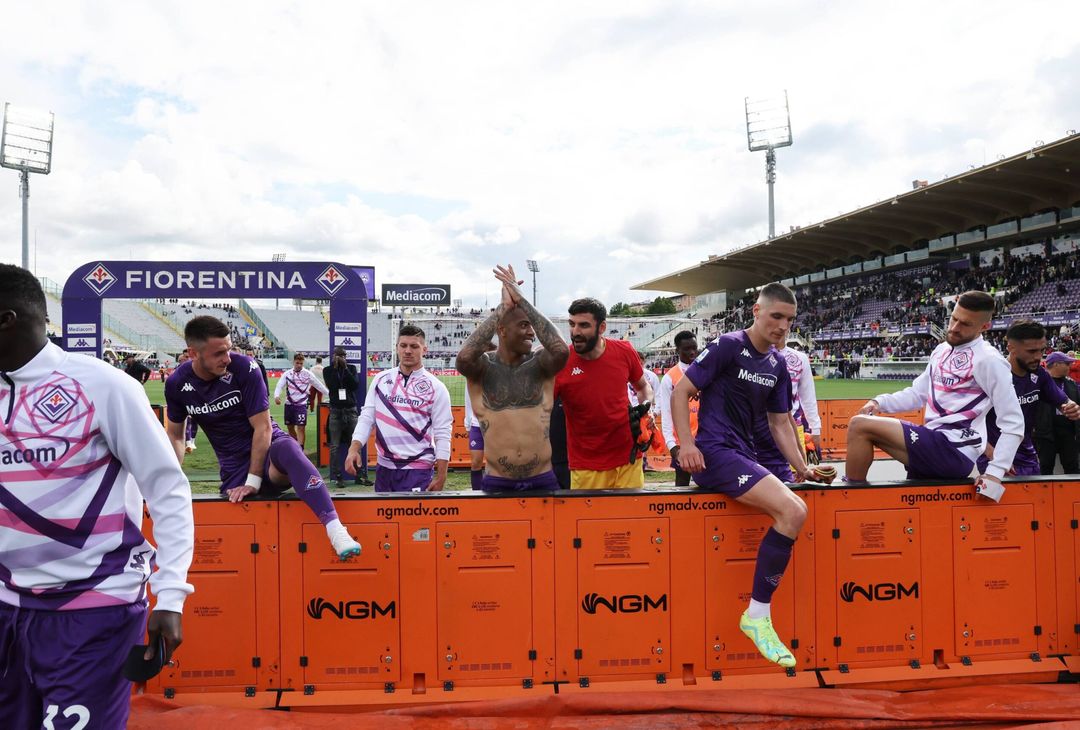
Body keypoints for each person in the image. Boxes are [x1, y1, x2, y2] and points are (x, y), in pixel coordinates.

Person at [0, 264, 194, 728]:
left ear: (6, 319)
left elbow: (167, 489)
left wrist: (170, 596)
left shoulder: (103, 385)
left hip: (93, 605)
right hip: (8, 606)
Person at [671, 282, 810, 668]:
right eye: (776, 316)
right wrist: (687, 446)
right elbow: (681, 393)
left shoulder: (778, 364)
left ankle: (758, 615)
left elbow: (781, 424)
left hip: (742, 456)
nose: (783, 326)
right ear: (756, 311)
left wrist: (804, 467)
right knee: (794, 512)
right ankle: (758, 616)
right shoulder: (730, 345)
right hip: (714, 454)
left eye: (789, 320)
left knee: (797, 505)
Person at [165, 316, 360, 558]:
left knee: (289, 447)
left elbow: (263, 428)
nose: (227, 358)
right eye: (219, 353)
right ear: (193, 354)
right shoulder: (176, 383)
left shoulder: (245, 367)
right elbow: (175, 436)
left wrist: (253, 481)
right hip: (234, 470)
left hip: (268, 455)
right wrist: (169, 480)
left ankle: (336, 530)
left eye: (229, 349)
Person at [845, 291, 1024, 502]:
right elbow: (917, 394)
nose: (955, 328)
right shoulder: (941, 350)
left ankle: (849, 501)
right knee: (917, 513)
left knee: (860, 426)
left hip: (955, 449)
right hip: (933, 440)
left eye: (965, 324)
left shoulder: (989, 360)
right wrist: (879, 401)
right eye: (953, 319)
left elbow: (1014, 422)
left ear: (984, 327)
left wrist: (995, 473)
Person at [456, 265, 570, 491]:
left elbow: (561, 350)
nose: (532, 332)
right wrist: (503, 308)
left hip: (543, 478)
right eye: (524, 325)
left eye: (531, 325)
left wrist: (522, 300)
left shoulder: (539, 364)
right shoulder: (483, 367)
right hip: (498, 480)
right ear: (502, 330)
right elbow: (464, 359)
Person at [555, 298, 653, 489]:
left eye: (584, 325)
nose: (575, 332)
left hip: (629, 459)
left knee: (631, 519)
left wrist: (647, 408)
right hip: (586, 466)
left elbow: (643, 387)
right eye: (572, 324)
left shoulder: (624, 351)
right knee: (590, 520)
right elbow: (539, 410)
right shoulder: (561, 362)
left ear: (602, 327)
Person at [345, 325, 452, 492]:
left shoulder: (437, 388)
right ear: (397, 348)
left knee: (413, 519)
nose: (408, 351)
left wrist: (442, 475)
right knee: (383, 518)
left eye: (414, 346)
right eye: (403, 346)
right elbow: (366, 418)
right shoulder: (380, 380)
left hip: (418, 469)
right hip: (384, 469)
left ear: (424, 349)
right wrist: (354, 449)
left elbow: (442, 432)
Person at [978, 323, 1080, 476]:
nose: (1038, 357)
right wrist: (989, 452)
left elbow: (1063, 401)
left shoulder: (1040, 375)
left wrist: (1071, 407)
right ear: (1010, 347)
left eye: (1042, 350)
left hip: (1027, 457)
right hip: (994, 459)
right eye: (1031, 351)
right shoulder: (990, 376)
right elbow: (962, 423)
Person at [753, 336, 822, 479]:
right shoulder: (754, 354)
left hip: (792, 426)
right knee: (761, 477)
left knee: (796, 477)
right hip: (758, 428)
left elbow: (807, 395)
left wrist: (815, 427)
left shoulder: (800, 358)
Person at [657, 331, 700, 486]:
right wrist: (672, 446)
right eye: (687, 349)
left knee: (710, 488)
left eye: (694, 348)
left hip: (706, 439)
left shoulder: (707, 371)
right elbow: (667, 414)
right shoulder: (670, 378)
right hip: (682, 442)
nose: (692, 352)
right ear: (677, 351)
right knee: (682, 487)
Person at [323, 347, 363, 487]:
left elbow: (354, 385)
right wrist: (336, 368)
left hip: (350, 410)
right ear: (333, 357)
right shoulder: (327, 370)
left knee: (356, 443)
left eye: (343, 356)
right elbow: (332, 386)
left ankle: (359, 474)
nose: (341, 358)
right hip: (336, 411)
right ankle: (337, 475)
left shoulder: (351, 368)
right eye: (339, 356)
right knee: (334, 446)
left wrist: (345, 369)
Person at [1036, 351, 1080, 474]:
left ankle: (1073, 493)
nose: (1069, 366)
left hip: (1068, 432)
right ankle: (1044, 494)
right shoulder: (1037, 383)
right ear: (1056, 364)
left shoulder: (1071, 383)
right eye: (1066, 363)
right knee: (1045, 468)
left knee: (1072, 468)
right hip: (1045, 433)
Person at [462, 340, 498, 490]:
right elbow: (468, 398)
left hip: (495, 426)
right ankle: (476, 492)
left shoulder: (499, 376)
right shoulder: (472, 375)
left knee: (494, 462)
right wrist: (468, 420)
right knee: (476, 462)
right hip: (477, 425)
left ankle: (493, 491)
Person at [274, 353, 329, 451]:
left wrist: (330, 395)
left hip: (301, 405)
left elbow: (319, 385)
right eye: (297, 363)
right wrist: (276, 396)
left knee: (301, 427)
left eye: (301, 363)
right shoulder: (287, 374)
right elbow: (279, 385)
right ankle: (295, 445)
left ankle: (300, 449)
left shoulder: (308, 374)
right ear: (293, 362)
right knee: (290, 427)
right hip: (289, 405)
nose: (299, 365)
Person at [177, 350, 199, 453]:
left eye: (186, 357)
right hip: (183, 398)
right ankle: (188, 443)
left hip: (196, 398)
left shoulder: (196, 369)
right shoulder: (178, 371)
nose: (185, 359)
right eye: (182, 359)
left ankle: (192, 441)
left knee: (195, 421)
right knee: (187, 420)